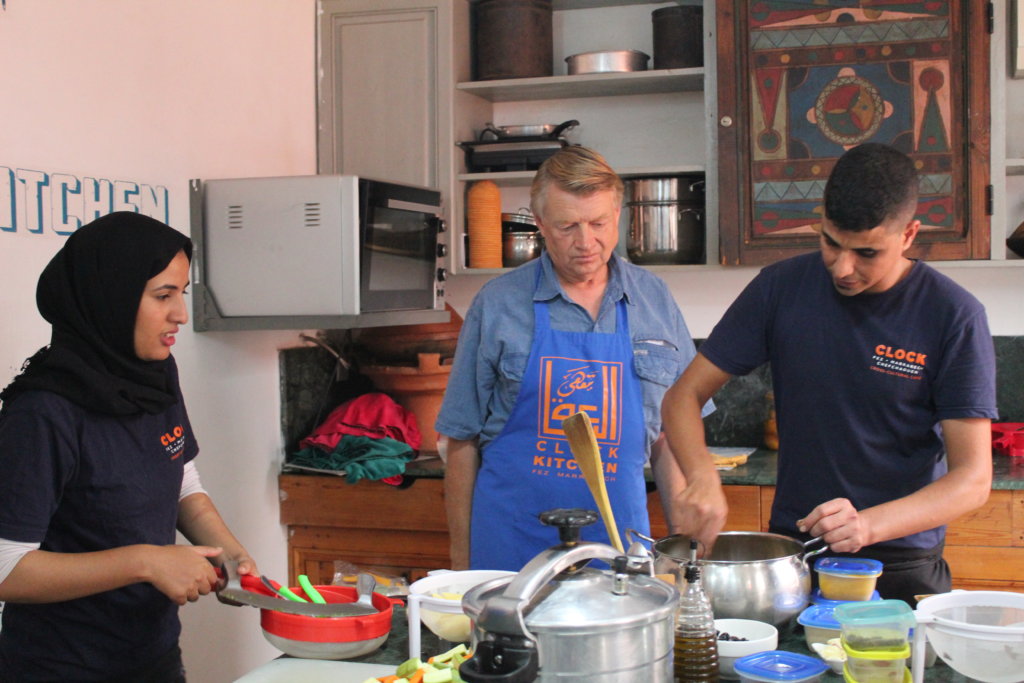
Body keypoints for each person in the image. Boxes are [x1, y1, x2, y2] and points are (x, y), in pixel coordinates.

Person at [661, 142, 997, 605]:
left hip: (899, 564)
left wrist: (867, 524)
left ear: (909, 234)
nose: (843, 268)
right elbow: (682, 396)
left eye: (866, 253)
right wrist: (701, 477)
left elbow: (973, 479)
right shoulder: (780, 288)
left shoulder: (952, 315)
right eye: (830, 242)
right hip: (795, 556)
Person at [0, 212, 256, 681]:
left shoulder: (154, 375)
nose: (180, 313)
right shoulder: (42, 413)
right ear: (109, 296)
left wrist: (231, 557)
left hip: (152, 656)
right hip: (61, 668)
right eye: (163, 296)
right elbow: (7, 569)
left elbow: (181, 481)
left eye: (181, 293)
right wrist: (145, 562)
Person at [436, 146, 710, 571]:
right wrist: (460, 565)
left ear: (617, 214)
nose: (586, 242)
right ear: (540, 223)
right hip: (511, 546)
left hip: (617, 545)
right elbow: (460, 440)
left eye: (599, 223)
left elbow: (668, 436)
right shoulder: (497, 304)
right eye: (567, 226)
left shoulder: (653, 300)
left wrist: (684, 553)